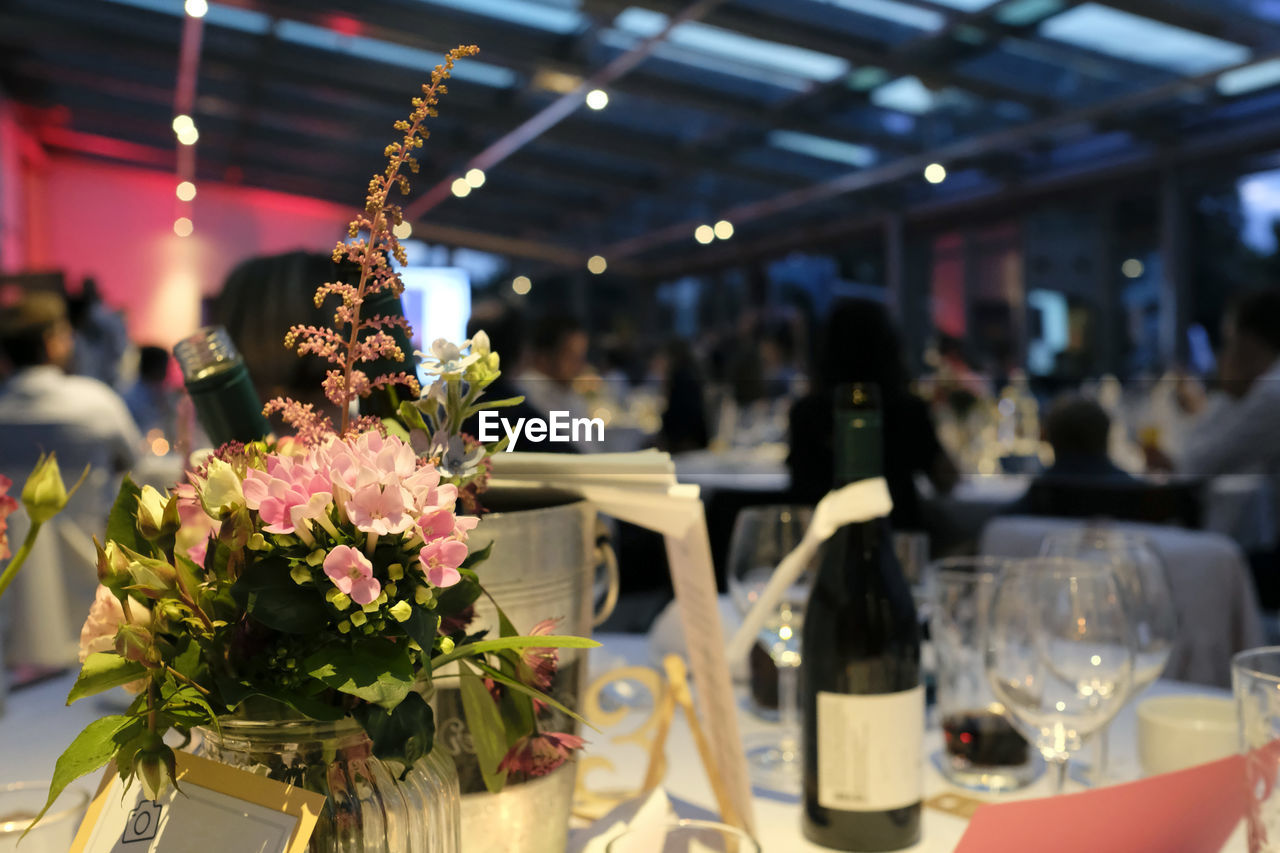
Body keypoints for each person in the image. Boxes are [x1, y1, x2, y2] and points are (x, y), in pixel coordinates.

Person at [0, 291, 142, 670]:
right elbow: (134, 466)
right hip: (90, 592)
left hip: (11, 604)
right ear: (52, 341)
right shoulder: (94, 402)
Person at [788, 298, 957, 532]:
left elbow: (798, 489)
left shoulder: (806, 413)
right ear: (890, 348)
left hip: (821, 537)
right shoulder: (908, 410)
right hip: (896, 537)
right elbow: (947, 481)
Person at [517, 314, 594, 429]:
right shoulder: (526, 397)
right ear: (543, 357)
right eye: (572, 357)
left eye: (581, 356)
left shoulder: (569, 394)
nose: (581, 366)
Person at [123, 345, 179, 437]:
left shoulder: (162, 391)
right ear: (154, 367)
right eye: (164, 366)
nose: (166, 371)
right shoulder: (132, 399)